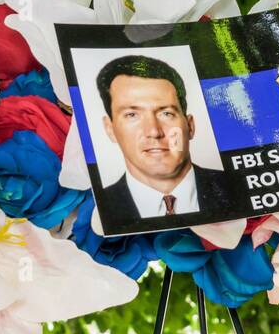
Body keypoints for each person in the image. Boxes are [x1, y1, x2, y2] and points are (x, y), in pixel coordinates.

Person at [94, 54, 237, 221]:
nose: (154, 131)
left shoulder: (239, 187)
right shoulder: (101, 208)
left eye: (166, 113)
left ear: (190, 126)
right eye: (132, 114)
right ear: (110, 129)